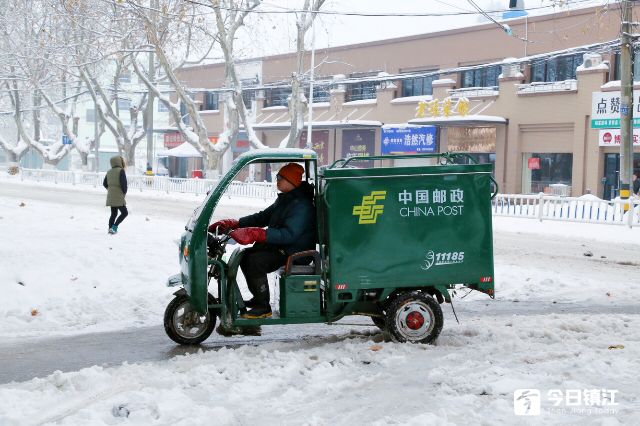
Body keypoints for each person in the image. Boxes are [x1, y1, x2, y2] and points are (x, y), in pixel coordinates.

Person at [209, 163, 316, 319]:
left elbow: (289, 235)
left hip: (296, 252)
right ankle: (259, 298)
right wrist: (236, 223)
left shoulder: (302, 206)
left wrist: (257, 234)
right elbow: (262, 217)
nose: (277, 180)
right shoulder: (286, 200)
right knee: (246, 256)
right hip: (283, 247)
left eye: (281, 178)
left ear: (292, 181)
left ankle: (263, 307)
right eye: (277, 177)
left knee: (255, 261)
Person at [103, 156, 129, 234]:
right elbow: (124, 184)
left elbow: (104, 183)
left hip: (111, 195)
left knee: (113, 214)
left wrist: (110, 189)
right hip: (118, 195)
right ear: (120, 162)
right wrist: (124, 193)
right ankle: (114, 227)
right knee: (125, 213)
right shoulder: (121, 171)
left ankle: (110, 229)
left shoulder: (109, 171)